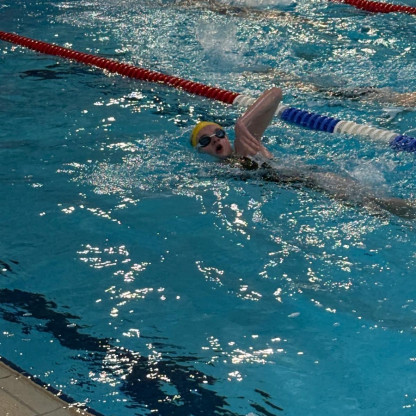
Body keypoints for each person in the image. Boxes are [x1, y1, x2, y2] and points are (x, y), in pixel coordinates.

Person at [190, 87, 416, 219]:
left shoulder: (245, 145)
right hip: (311, 189)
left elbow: (276, 93)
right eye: (205, 140)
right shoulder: (218, 172)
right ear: (200, 151)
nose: (215, 139)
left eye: (219, 133)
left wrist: (242, 123)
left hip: (315, 179)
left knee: (383, 204)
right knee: (384, 210)